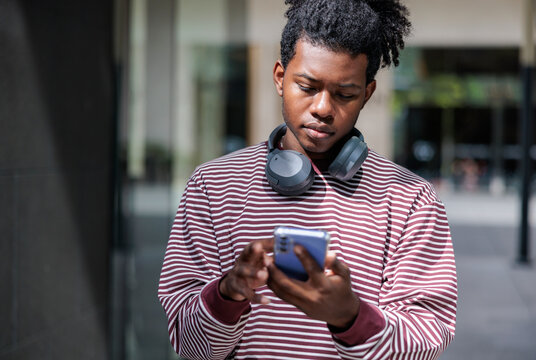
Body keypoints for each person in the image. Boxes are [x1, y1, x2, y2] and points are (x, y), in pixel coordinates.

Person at [158, 0, 457, 359]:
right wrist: (227, 295)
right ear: (280, 77)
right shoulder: (212, 184)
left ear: (368, 93)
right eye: (307, 86)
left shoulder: (411, 199)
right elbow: (191, 348)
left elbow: (424, 342)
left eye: (345, 94)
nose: (323, 108)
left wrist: (350, 318)